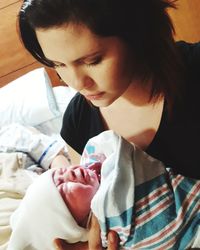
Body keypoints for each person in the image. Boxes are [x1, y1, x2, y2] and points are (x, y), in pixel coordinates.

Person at [18, 0, 200, 249]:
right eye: (58, 65)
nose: (77, 83)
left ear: (136, 34)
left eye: (92, 60)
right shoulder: (77, 121)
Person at [8, 130, 200, 250]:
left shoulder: (98, 163)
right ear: (70, 224)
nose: (71, 173)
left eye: (62, 173)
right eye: (63, 187)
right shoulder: (107, 225)